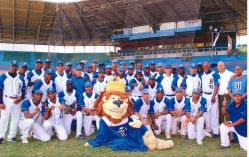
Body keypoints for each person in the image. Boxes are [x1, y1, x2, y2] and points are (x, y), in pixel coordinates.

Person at [0, 61, 26, 144]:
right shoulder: (3, 76)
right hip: (6, 99)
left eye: (15, 66)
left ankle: (12, 136)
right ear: (9, 66)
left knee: (15, 119)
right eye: (12, 66)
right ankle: (1, 136)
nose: (14, 67)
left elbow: (23, 90)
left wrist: (20, 98)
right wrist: (1, 102)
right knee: (4, 118)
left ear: (18, 67)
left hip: (17, 100)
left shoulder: (21, 77)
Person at [201, 61, 220, 138]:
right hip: (204, 95)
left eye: (207, 66)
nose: (206, 67)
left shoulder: (215, 74)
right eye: (204, 66)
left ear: (210, 66)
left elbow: (216, 86)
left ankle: (215, 131)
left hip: (212, 95)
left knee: (214, 113)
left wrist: (213, 96)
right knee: (206, 113)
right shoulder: (202, 75)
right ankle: (208, 129)